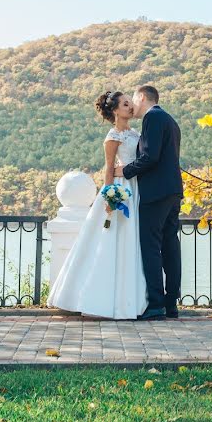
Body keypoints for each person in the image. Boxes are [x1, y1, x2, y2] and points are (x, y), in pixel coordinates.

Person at [47, 92, 148, 319]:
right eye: (125, 104)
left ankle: (131, 299)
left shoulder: (136, 133)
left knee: (132, 240)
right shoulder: (113, 136)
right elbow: (109, 167)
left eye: (130, 103)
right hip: (122, 188)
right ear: (115, 111)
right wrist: (110, 196)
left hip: (136, 186)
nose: (130, 107)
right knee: (112, 239)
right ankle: (99, 299)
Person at [117, 85, 183, 320]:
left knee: (151, 246)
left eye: (133, 100)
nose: (133, 105)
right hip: (173, 191)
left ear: (142, 97)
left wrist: (124, 171)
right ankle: (171, 304)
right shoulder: (171, 121)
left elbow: (150, 156)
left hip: (156, 192)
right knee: (170, 246)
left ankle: (156, 304)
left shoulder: (152, 118)